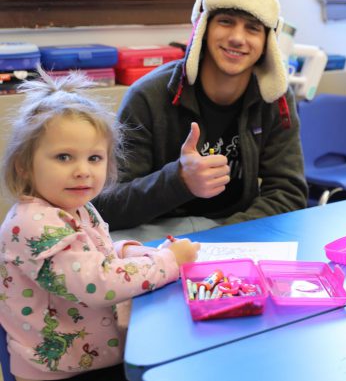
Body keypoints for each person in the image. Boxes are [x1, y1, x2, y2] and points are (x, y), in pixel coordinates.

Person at [0, 73, 199, 381]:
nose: (83, 171)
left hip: (88, 355)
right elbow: (98, 283)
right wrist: (168, 261)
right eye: (64, 157)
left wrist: (125, 250)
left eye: (94, 158)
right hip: (59, 372)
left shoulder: (75, 207)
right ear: (24, 165)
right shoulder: (32, 224)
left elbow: (90, 256)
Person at [94, 0, 308, 241]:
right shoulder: (147, 96)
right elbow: (106, 206)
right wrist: (179, 180)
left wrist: (224, 237)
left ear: (267, 42)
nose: (238, 38)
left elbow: (288, 192)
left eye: (253, 28)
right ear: (204, 28)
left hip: (235, 227)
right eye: (226, 22)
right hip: (156, 233)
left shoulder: (274, 97)